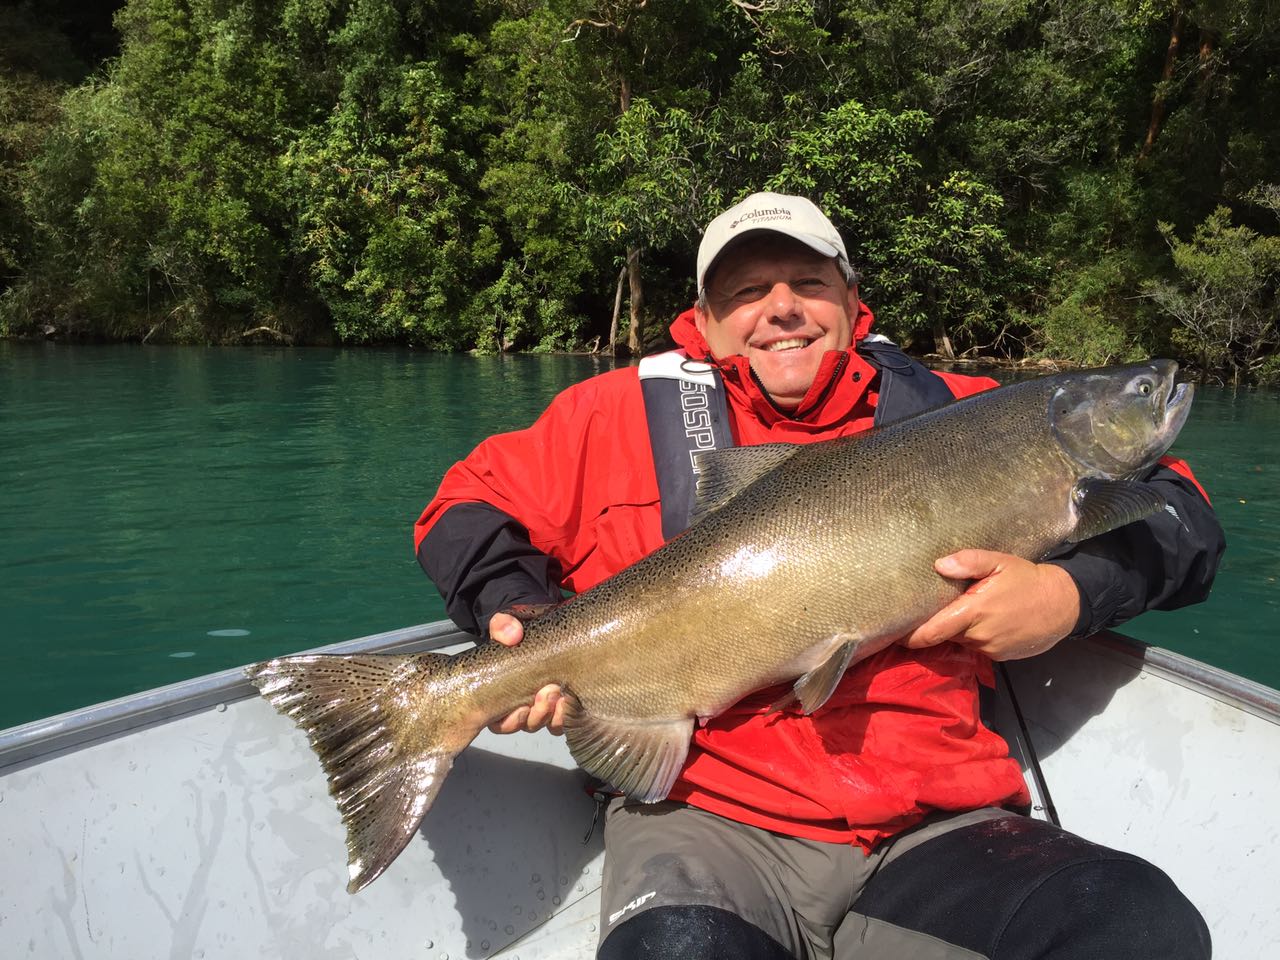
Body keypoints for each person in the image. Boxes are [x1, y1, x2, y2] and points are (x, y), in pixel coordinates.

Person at [414, 192, 1225, 959]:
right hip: (703, 818)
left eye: (809, 283)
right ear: (702, 319)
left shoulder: (970, 414)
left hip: (933, 823)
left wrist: (1069, 594)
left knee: (1137, 926)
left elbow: (1185, 519)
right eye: (745, 291)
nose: (781, 308)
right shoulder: (606, 417)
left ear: (850, 299)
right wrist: (519, 613)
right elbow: (462, 508)